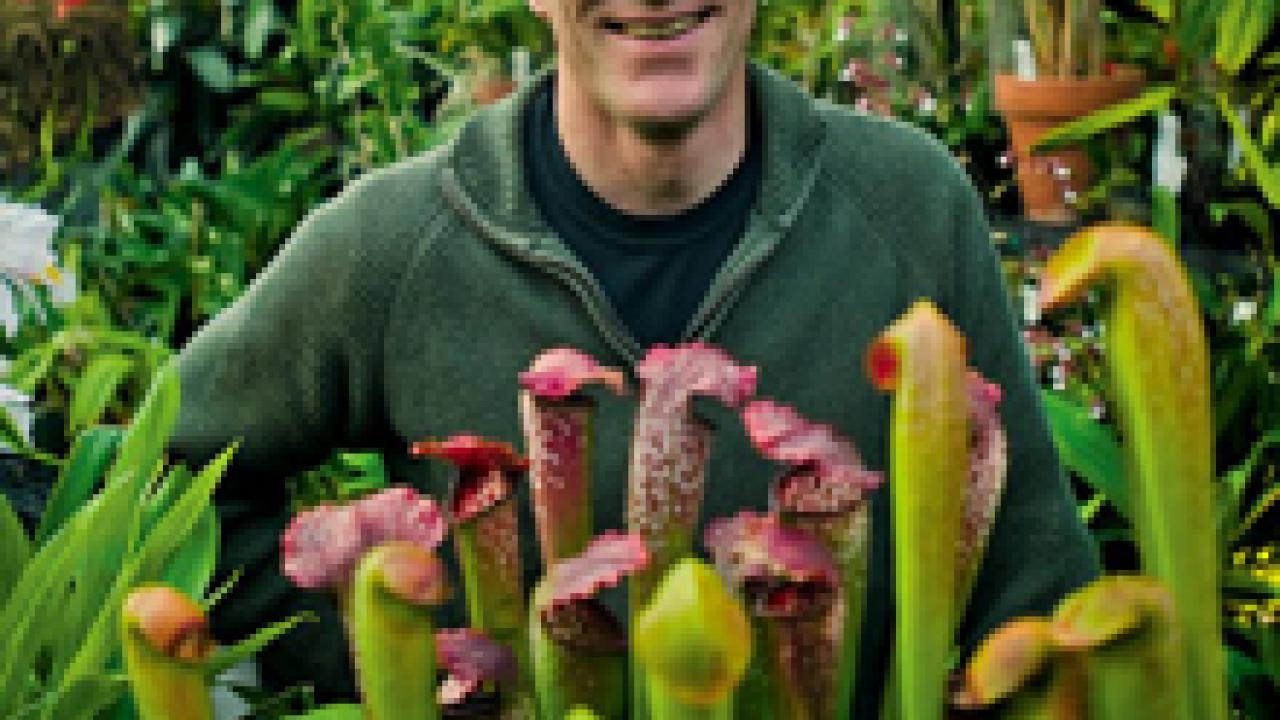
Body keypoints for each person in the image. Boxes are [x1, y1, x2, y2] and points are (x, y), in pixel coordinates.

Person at [168, 1, 1099, 714]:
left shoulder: (906, 210)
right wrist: (387, 665)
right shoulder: (394, 248)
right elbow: (170, 475)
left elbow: (1033, 585)